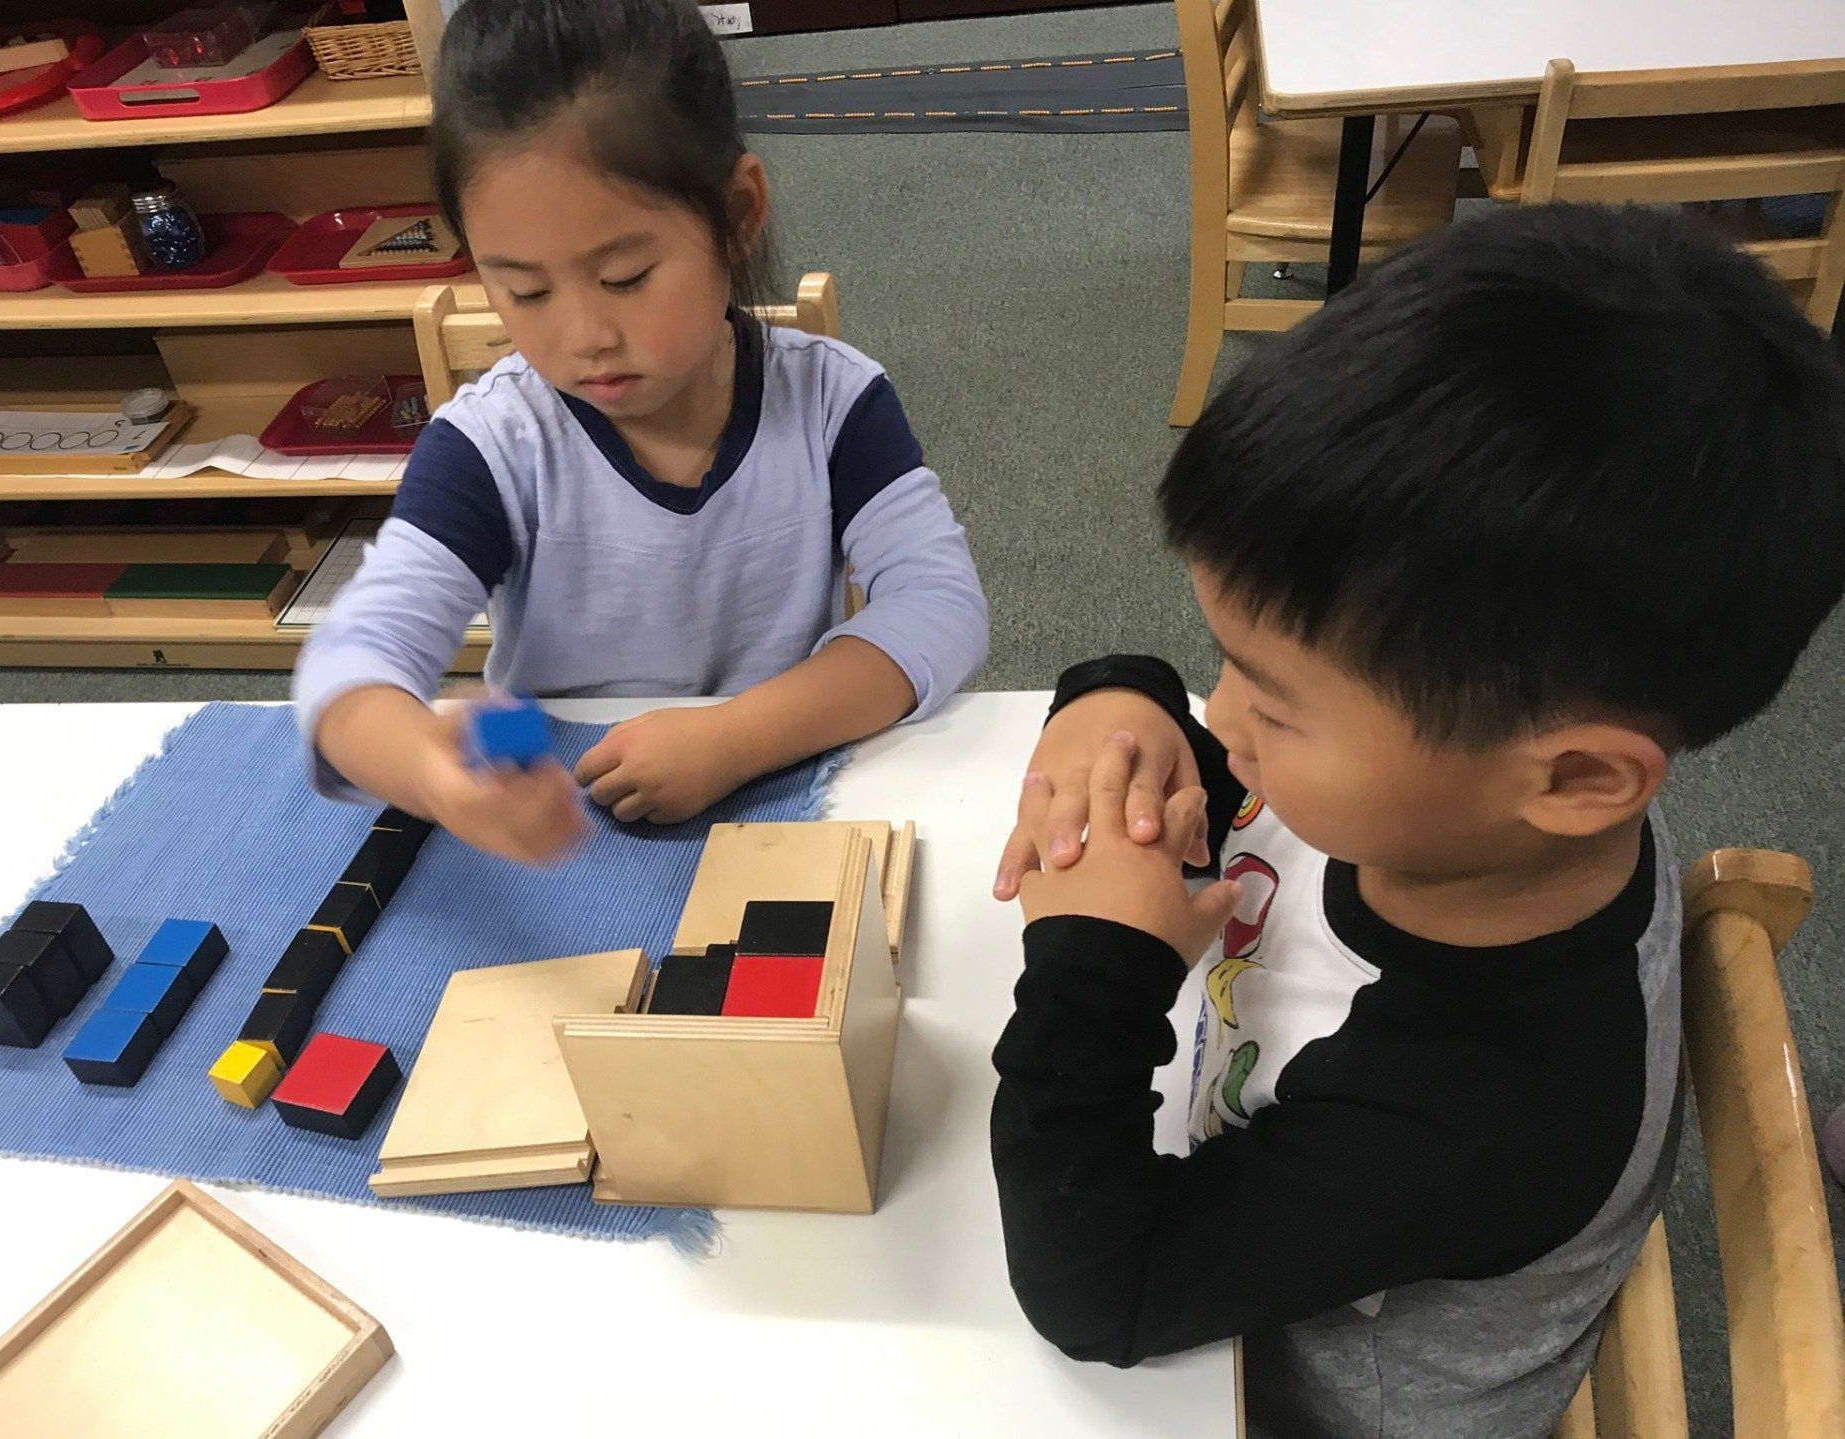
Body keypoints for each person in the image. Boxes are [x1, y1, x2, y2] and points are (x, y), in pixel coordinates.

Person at [988, 205, 1845, 1438]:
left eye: (1272, 704)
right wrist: (1118, 699)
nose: (1221, 716)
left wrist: (1092, 973)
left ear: (1580, 778)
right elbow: (1246, 749)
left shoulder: (1489, 1104)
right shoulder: (1482, 810)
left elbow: (1097, 1289)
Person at [293, 0, 988, 862]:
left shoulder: (833, 404)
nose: (583, 336)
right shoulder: (495, 443)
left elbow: (942, 607)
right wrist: (432, 774)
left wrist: (735, 739)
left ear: (737, 215)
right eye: (526, 292)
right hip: (564, 824)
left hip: (783, 788)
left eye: (624, 277)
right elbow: (349, 660)